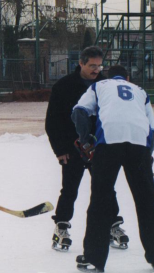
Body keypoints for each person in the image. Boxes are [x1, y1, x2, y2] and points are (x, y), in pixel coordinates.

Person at [71, 66, 154, 272]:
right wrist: (146, 155)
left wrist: (85, 140)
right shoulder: (140, 91)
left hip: (109, 141)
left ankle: (94, 258)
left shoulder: (99, 86)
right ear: (128, 78)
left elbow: (79, 112)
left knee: (100, 200)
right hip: (139, 143)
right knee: (147, 200)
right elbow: (152, 129)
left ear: (109, 77)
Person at [45, 46, 129, 251]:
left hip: (99, 147)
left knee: (106, 187)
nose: (97, 70)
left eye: (100, 66)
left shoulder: (104, 85)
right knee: (70, 189)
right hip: (72, 147)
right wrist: (60, 149)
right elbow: (52, 122)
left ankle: (113, 225)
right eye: (92, 66)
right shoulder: (63, 86)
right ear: (81, 63)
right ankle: (61, 226)